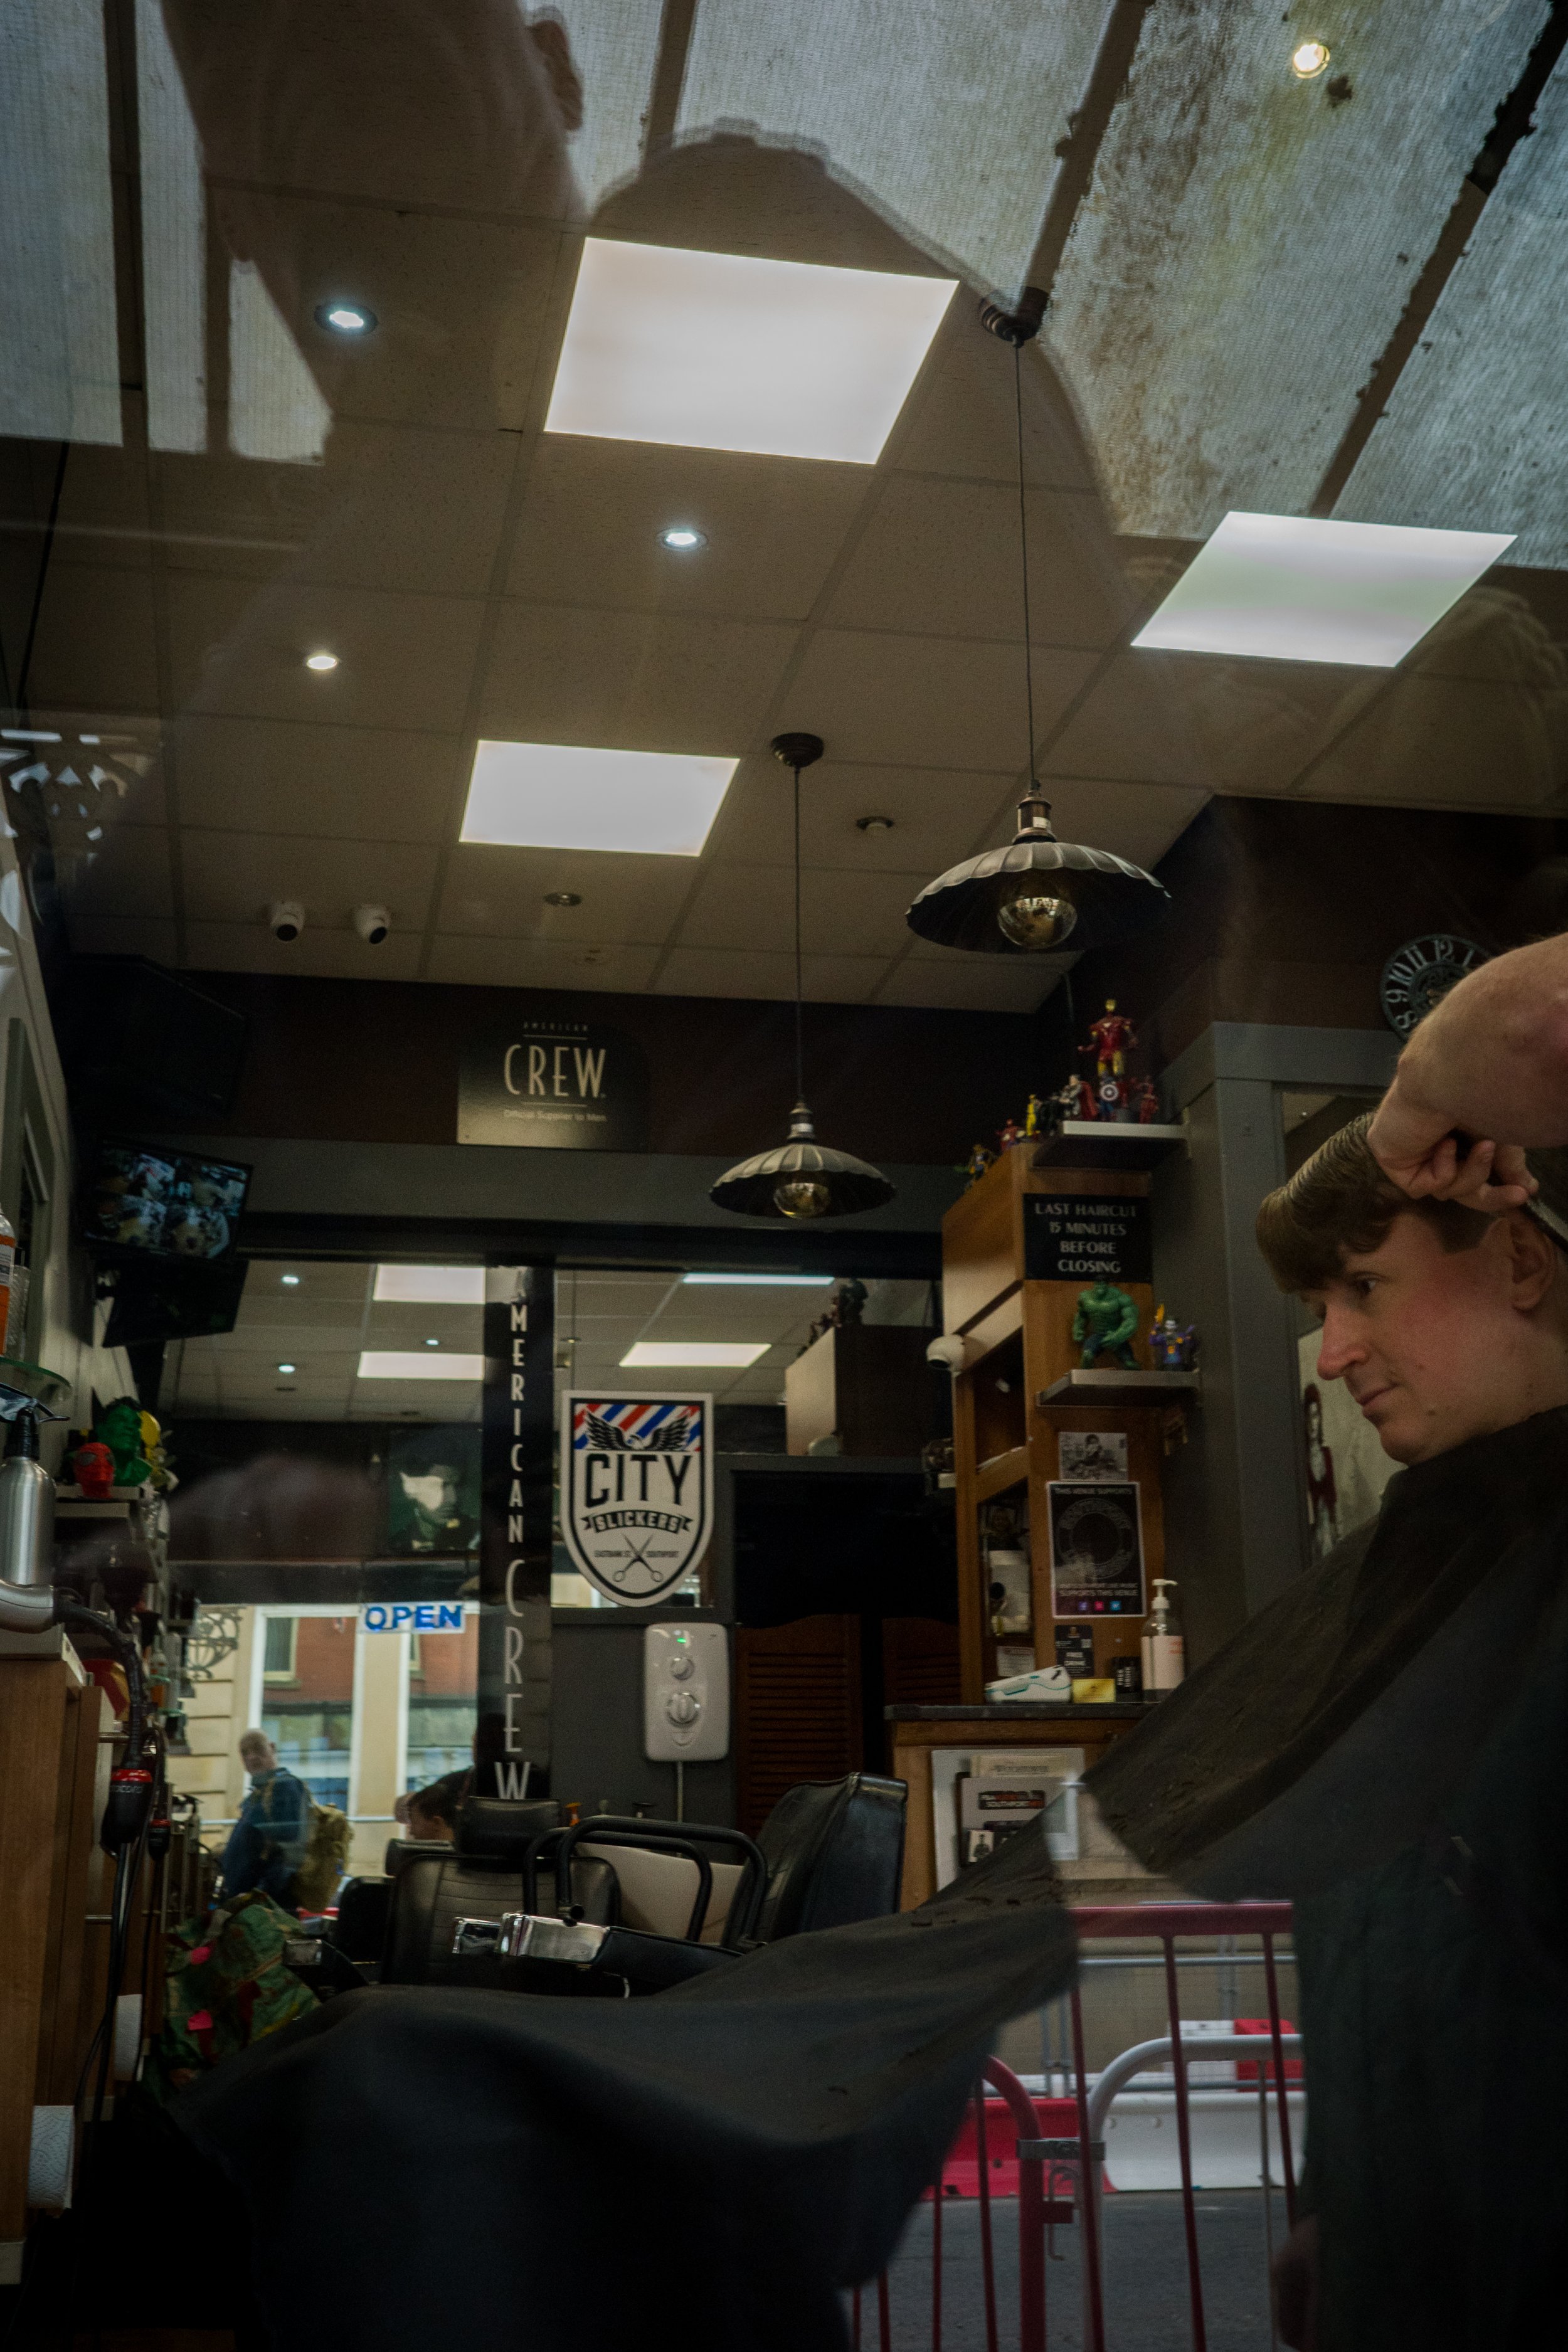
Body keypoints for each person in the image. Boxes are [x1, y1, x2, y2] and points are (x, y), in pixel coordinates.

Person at [1089, 1110, 1568, 2350]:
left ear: (1518, 1262)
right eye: (1320, 1303)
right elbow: (1381, 1956)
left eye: (1363, 1285)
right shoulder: (1407, 1598)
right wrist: (1325, 2212)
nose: (1330, 1350)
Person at [219, 1730, 309, 1904]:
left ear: (272, 1748)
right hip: (247, 1903)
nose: (251, 1757)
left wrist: (260, 1895)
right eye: (245, 1753)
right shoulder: (258, 1796)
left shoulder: (285, 1788)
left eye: (258, 1749)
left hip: (264, 1909)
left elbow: (290, 1851)